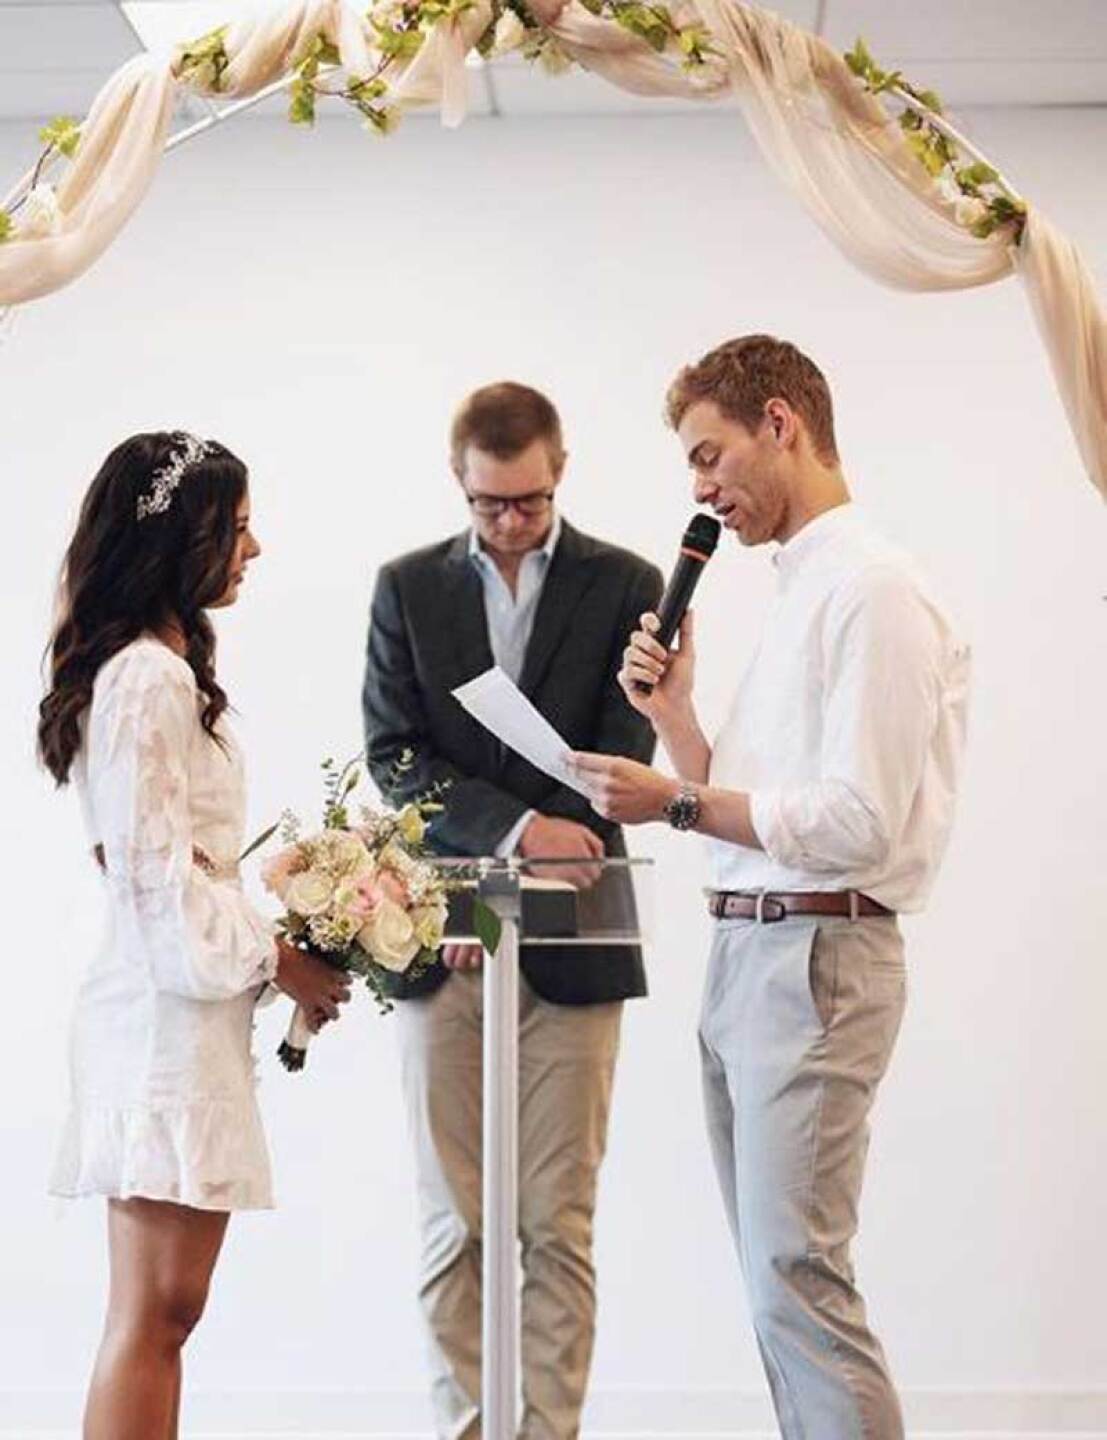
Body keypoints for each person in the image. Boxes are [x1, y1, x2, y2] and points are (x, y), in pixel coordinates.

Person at [572, 336, 971, 1440]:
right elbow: (751, 824)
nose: (702, 493)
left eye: (711, 457)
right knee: (775, 1290)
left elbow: (854, 825)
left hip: (818, 963)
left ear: (782, 424)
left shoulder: (876, 592)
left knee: (800, 1280)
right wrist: (681, 728)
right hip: (753, 952)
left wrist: (675, 801)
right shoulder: (802, 591)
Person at [362, 382, 662, 1440]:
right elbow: (394, 756)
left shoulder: (630, 580)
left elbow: (631, 744)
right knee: (457, 1222)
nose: (510, 523)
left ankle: (549, 1436)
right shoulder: (406, 587)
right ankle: (466, 1431)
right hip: (449, 920)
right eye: (491, 504)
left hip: (579, 922)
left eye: (529, 501)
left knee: (557, 1222)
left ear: (561, 470)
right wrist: (510, 830)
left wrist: (556, 829)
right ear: (460, 481)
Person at [38, 431, 351, 1440]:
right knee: (154, 1312)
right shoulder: (146, 679)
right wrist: (281, 959)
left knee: (170, 1310)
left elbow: (180, 875)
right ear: (185, 535)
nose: (253, 551)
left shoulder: (164, 667)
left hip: (186, 1011)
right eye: (240, 527)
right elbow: (154, 883)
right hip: (159, 1015)